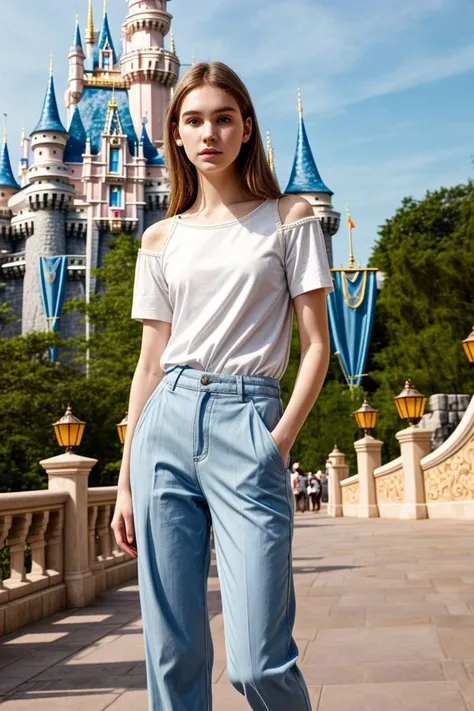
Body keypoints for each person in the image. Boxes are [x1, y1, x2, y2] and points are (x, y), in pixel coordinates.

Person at [111, 61, 333, 711]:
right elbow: (149, 362)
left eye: (223, 118)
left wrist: (280, 439)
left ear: (246, 128)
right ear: (174, 135)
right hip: (166, 423)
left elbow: (317, 343)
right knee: (173, 653)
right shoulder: (160, 238)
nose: (209, 132)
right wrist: (126, 478)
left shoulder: (289, 216)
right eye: (193, 120)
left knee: (261, 661)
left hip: (249, 420)